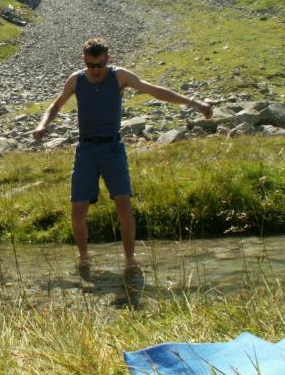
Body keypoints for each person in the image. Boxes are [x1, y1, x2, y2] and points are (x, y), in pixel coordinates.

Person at [32, 37, 213, 271]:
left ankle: (130, 261)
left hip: (113, 148)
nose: (96, 71)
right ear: (84, 62)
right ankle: (84, 259)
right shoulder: (76, 80)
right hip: (86, 149)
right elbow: (55, 105)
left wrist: (194, 103)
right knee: (78, 210)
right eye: (90, 66)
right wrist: (42, 125)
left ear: (109, 59)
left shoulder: (119, 76)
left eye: (100, 65)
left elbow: (154, 90)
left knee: (123, 206)